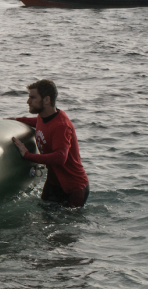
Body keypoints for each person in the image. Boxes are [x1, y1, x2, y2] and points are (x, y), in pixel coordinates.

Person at [8, 79, 88, 208]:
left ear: (46, 100)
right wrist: (16, 120)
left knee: (64, 221)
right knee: (43, 217)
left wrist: (27, 155)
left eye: (33, 97)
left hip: (73, 189)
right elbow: (39, 122)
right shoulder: (44, 117)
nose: (28, 101)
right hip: (53, 183)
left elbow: (60, 157)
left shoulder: (61, 126)